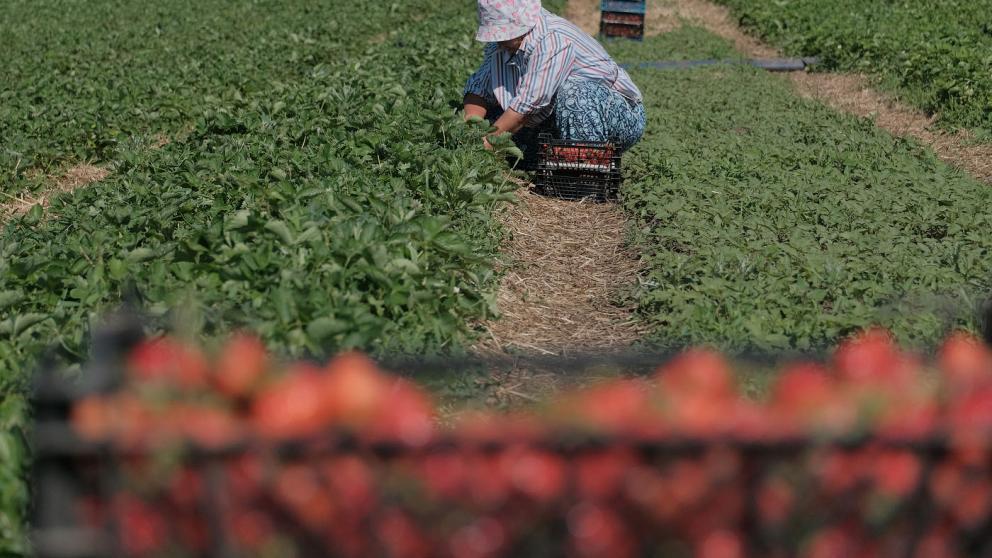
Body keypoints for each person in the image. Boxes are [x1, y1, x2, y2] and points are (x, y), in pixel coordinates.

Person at [463, 0, 646, 164]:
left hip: (617, 116)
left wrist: (488, 143)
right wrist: (473, 130)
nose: (499, 41)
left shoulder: (552, 39)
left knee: (574, 94)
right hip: (556, 116)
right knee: (495, 117)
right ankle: (551, 159)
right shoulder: (503, 43)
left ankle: (586, 170)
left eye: (502, 36)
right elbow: (479, 88)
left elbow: (525, 108)